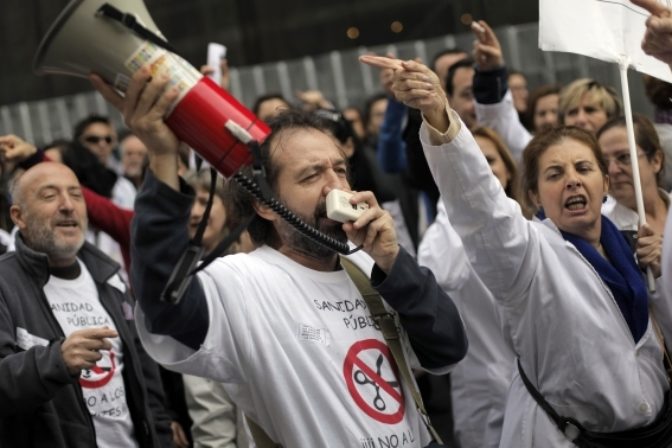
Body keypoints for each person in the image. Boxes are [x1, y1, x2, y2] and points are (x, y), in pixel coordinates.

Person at [91, 66, 468, 447]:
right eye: (311, 176)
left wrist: (394, 261)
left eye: (340, 170)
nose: (336, 187)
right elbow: (164, 306)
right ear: (266, 204)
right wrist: (162, 158)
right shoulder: (239, 281)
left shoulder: (371, 268)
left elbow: (448, 350)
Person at [361, 54, 672, 446]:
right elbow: (481, 203)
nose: (572, 181)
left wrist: (665, 270)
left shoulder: (634, 246)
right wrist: (439, 114)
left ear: (606, 183)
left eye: (584, 168)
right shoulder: (528, 254)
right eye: (555, 174)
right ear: (532, 194)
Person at [0, 161, 172, 447]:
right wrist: (56, 361)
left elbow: (146, 380)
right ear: (19, 216)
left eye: (76, 195)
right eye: (49, 195)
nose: (68, 205)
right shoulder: (4, 284)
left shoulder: (110, 277)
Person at [417, 126, 519, 448]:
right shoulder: (446, 225)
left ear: (507, 169)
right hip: (485, 396)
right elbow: (439, 275)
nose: (478, 169)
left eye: (487, 160)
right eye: (466, 161)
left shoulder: (533, 227)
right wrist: (456, 200)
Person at [598, 115, 668, 247]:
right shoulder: (602, 230)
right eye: (604, 162)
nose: (612, 170)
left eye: (624, 157)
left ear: (656, 160)